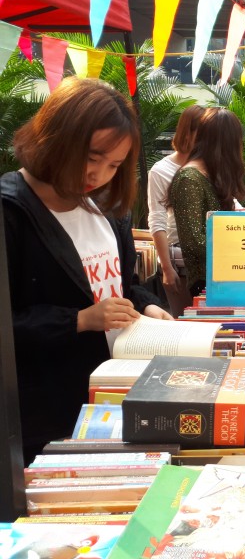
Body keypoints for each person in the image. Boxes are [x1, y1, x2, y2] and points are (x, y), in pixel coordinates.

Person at [0, 77, 172, 462]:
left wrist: (146, 305)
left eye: (114, 164)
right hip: (47, 413)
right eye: (92, 157)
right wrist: (77, 320)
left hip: (116, 394)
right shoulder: (12, 212)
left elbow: (120, 284)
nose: (99, 175)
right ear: (56, 136)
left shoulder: (106, 207)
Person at [170, 108, 245, 297]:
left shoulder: (211, 173)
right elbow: (194, 241)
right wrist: (242, 253)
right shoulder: (189, 178)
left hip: (225, 275)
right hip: (208, 281)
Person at [148, 104, 206, 317]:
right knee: (184, 322)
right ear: (188, 132)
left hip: (209, 256)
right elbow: (157, 219)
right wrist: (166, 268)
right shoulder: (161, 171)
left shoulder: (209, 165)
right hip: (178, 259)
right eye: (203, 133)